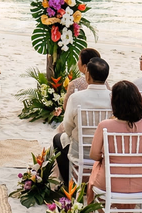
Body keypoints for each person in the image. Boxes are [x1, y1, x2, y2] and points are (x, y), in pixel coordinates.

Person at [88, 81, 142, 201]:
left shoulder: (105, 125)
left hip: (110, 183)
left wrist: (106, 157)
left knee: (96, 166)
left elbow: (93, 155)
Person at [53, 57, 111, 186]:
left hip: (81, 151)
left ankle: (68, 182)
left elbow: (67, 127)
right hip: (105, 149)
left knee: (58, 139)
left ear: (88, 75)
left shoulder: (76, 98)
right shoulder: (113, 97)